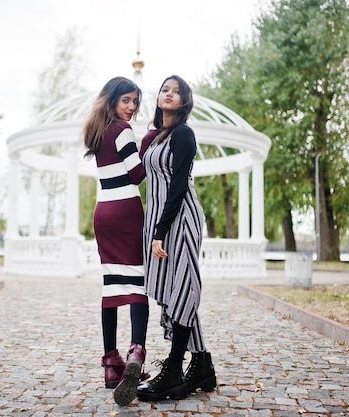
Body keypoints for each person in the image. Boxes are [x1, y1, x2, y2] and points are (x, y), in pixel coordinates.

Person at [136, 75, 217, 402]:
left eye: (176, 91)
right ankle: (201, 366)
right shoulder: (156, 137)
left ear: (184, 101)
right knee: (176, 288)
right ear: (158, 98)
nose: (169, 94)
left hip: (180, 219)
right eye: (164, 90)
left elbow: (179, 185)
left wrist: (160, 230)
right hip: (159, 220)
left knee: (183, 286)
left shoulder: (183, 134)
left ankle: (173, 370)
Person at [82, 76, 149, 406]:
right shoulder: (123, 131)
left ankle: (111, 364)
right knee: (136, 285)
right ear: (111, 101)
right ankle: (136, 351)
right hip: (126, 212)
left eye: (135, 101)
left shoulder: (97, 132)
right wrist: (148, 141)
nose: (132, 107)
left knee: (111, 287)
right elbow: (137, 174)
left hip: (103, 213)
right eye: (126, 100)